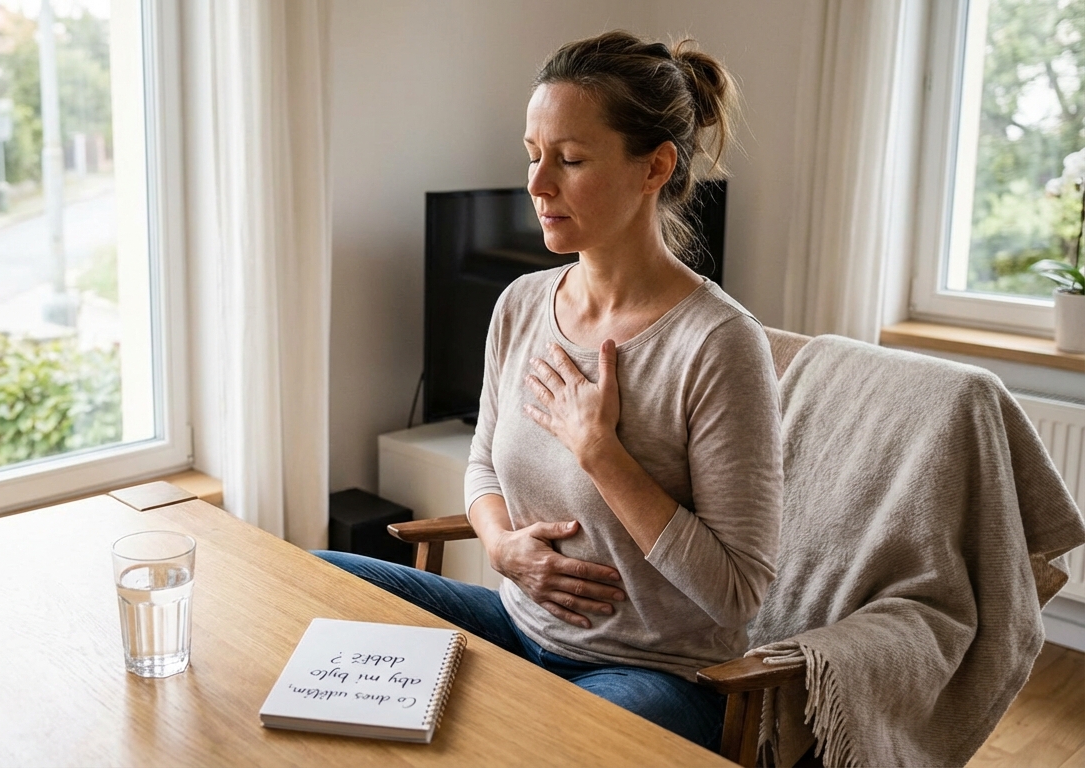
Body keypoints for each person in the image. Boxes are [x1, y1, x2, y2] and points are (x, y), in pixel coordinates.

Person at [317, 29, 782, 751]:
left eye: (569, 160)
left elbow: (738, 592)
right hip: (518, 625)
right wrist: (502, 548)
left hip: (654, 673)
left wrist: (600, 451)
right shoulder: (521, 305)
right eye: (534, 155)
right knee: (315, 583)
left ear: (654, 167)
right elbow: (481, 465)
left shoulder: (720, 345)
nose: (537, 185)